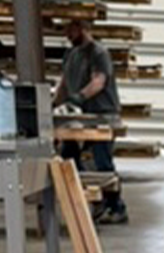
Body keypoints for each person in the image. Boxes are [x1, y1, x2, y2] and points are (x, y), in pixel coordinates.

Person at [53, 18, 127, 224]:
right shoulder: (71, 54)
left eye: (70, 29)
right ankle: (95, 199)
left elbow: (99, 82)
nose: (67, 34)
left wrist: (80, 97)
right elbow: (64, 83)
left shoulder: (98, 53)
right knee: (68, 154)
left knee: (102, 161)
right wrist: (53, 104)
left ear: (82, 27)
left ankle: (116, 206)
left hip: (103, 114)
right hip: (80, 116)